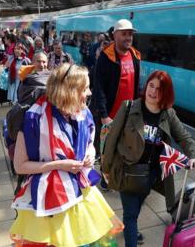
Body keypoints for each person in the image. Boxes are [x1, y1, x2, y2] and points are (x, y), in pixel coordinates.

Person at [10, 63, 122, 246]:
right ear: (69, 91)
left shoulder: (84, 113)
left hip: (81, 193)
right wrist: (60, 165)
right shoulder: (33, 120)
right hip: (50, 203)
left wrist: (88, 154)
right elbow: (20, 165)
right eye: (84, 89)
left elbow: (90, 145)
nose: (89, 93)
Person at [102, 70, 195, 247]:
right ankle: (130, 234)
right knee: (130, 215)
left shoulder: (168, 114)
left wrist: (194, 156)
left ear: (166, 93)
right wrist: (106, 168)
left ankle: (129, 229)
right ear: (146, 85)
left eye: (159, 88)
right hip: (128, 171)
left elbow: (185, 138)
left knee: (136, 209)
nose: (153, 91)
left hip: (151, 176)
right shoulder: (128, 108)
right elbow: (111, 140)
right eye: (151, 85)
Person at [94, 19, 141, 191]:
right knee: (107, 149)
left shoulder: (135, 55)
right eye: (124, 34)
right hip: (111, 115)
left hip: (130, 113)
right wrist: (104, 115)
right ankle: (106, 178)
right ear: (115, 35)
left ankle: (120, 175)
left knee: (126, 147)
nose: (128, 37)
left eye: (130, 34)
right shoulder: (106, 58)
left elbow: (135, 85)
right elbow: (98, 88)